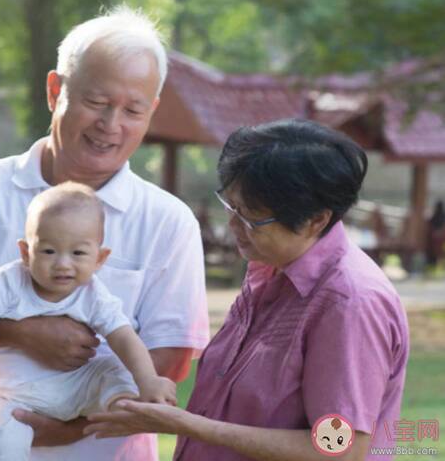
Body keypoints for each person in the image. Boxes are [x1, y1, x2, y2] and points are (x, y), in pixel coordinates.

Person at [0, 6, 209, 461]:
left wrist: (70, 429)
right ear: (55, 90)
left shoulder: (168, 220)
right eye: (97, 102)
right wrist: (20, 331)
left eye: (133, 110)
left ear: (151, 111)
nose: (111, 124)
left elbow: (172, 356)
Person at [86, 119, 410, 461]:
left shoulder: (349, 302)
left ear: (316, 220)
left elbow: (339, 449)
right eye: (231, 207)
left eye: (252, 218)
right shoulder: (269, 267)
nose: (233, 225)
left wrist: (189, 425)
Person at [0, 182, 176, 460]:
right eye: (49, 251)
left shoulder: (93, 294)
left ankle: (126, 406)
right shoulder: (4, 284)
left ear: (100, 258)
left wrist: (148, 380)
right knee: (2, 439)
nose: (63, 263)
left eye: (78, 253)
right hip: (11, 393)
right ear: (26, 252)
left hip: (76, 387)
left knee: (115, 366)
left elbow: (123, 336)